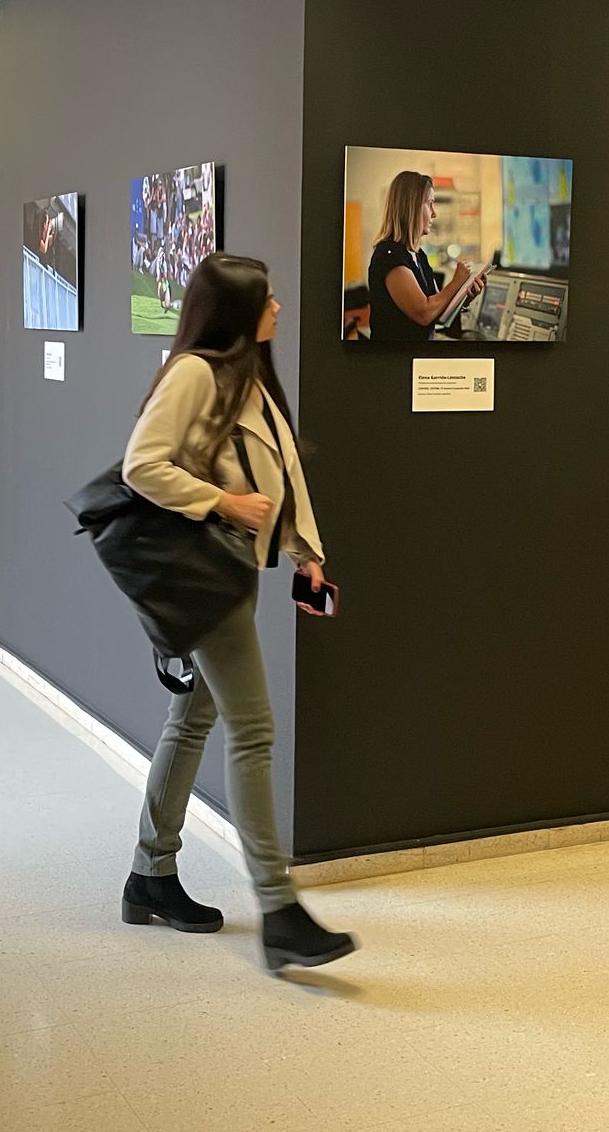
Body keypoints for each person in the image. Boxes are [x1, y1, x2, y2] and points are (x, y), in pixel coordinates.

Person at [120, 253, 355, 972]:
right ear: (238, 310)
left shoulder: (248, 375)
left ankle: (149, 876)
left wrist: (305, 553)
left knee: (193, 719)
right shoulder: (194, 372)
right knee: (253, 732)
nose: (279, 308)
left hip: (235, 571)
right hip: (205, 576)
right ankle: (279, 908)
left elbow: (281, 471)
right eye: (269, 299)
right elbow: (141, 464)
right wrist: (220, 502)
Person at [367, 169, 484, 342]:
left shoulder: (418, 255)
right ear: (412, 208)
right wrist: (457, 281)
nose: (434, 213)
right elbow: (424, 313)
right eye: (429, 204)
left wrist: (464, 297)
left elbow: (439, 311)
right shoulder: (389, 255)